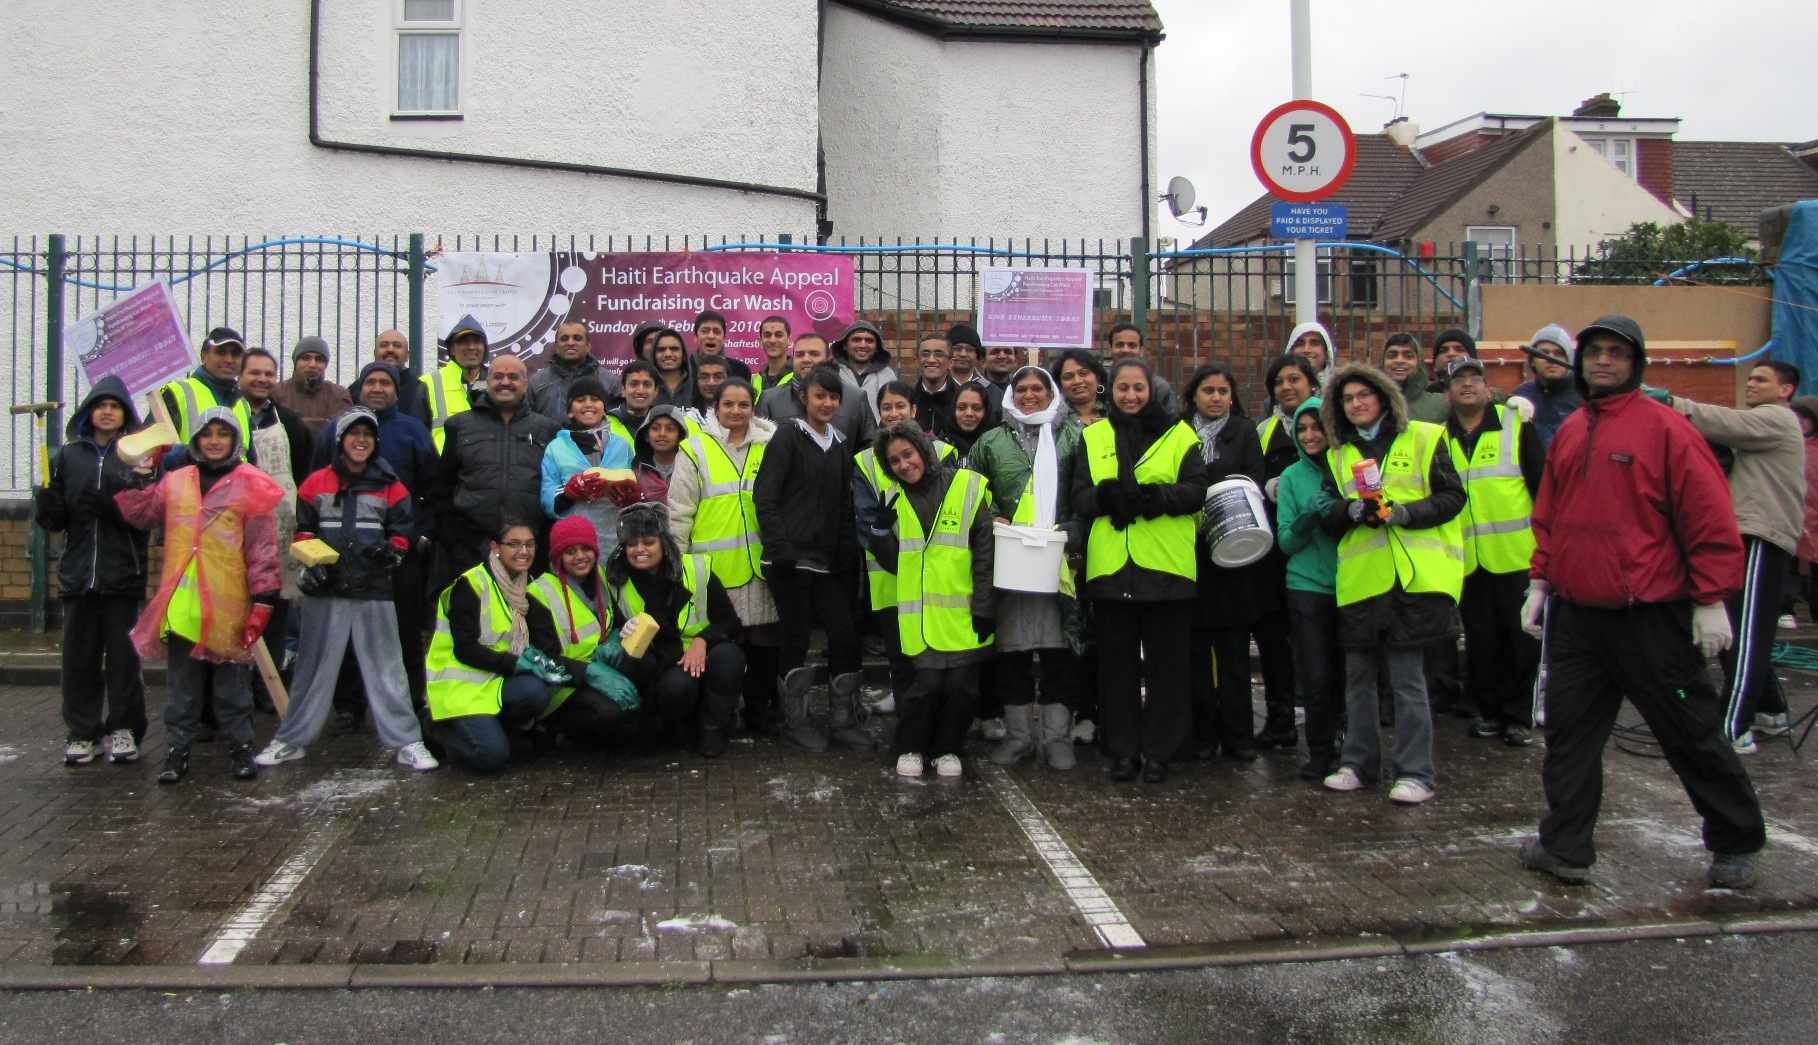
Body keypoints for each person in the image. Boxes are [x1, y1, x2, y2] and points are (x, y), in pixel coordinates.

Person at [1519, 315, 1763, 890]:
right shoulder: (1575, 430)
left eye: (1616, 353)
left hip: (1650, 616)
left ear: (1636, 364)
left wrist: (1711, 600)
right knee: (1569, 737)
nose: (1603, 361)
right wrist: (1540, 582)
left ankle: (1736, 840)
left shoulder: (1668, 431)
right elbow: (1550, 515)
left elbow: (1708, 519)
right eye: (1594, 352)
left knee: (1689, 730)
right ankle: (1566, 847)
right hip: (1579, 618)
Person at [253, 409, 438, 772]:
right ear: (340, 441)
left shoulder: (390, 483)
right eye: (353, 434)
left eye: (367, 435)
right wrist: (312, 567)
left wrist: (394, 550)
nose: (360, 441)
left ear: (375, 442)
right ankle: (292, 738)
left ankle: (406, 740)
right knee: (312, 668)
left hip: (374, 590)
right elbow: (303, 531)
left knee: (389, 669)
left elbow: (402, 528)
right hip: (328, 590)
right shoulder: (315, 483)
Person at [1315, 362, 1466, 805]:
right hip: (1362, 581)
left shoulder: (1424, 437)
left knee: (1407, 680)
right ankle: (1359, 764)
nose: (1357, 404)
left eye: (1364, 395)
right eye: (1347, 399)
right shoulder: (1338, 454)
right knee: (1358, 678)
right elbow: (1325, 511)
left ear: (1383, 396)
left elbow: (1453, 497)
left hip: (1414, 578)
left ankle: (1416, 771)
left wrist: (1406, 513)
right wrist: (1351, 512)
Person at [114, 408, 284, 784]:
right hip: (182, 606)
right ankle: (177, 752)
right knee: (182, 689)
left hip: (228, 605)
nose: (213, 441)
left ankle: (241, 749)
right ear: (196, 440)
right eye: (207, 433)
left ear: (235, 440)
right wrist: (142, 474)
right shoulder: (175, 481)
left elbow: (262, 548)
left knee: (231, 687)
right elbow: (141, 515)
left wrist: (263, 597)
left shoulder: (250, 482)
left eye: (223, 434)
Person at [1070, 358, 1208, 783]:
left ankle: (1161, 752)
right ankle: (1123, 750)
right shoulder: (1092, 437)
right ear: (1109, 392)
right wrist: (1106, 497)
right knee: (1117, 669)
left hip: (1166, 566)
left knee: (1167, 669)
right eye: (1122, 388)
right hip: (1112, 569)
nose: (1130, 396)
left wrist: (1158, 497)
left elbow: (1198, 490)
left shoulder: (1180, 434)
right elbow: (1078, 497)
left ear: (1152, 390)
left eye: (1138, 388)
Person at [1667, 360, 1807, 752]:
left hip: (1761, 535)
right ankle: (1771, 709)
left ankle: (1734, 727)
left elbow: (1722, 423)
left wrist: (1668, 401)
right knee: (1736, 629)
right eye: (1749, 378)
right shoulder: (1763, 427)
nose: (1751, 384)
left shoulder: (1778, 419)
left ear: (1786, 391)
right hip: (1742, 534)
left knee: (1745, 635)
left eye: (1761, 379)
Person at [312, 360, 439, 731]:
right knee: (346, 632)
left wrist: (423, 536)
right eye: (371, 382)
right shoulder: (335, 430)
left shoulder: (413, 431)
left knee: (404, 632)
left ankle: (412, 701)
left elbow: (433, 489)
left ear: (397, 393)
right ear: (359, 389)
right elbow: (316, 482)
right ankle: (350, 707)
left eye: (386, 382)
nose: (378, 388)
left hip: (402, 551)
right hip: (345, 551)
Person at [969, 366, 1084, 770]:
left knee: (1059, 655)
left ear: (1052, 392)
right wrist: (994, 517)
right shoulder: (990, 441)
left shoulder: (1075, 436)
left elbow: (1085, 491)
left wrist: (1075, 527)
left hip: (1061, 561)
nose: (1029, 395)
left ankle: (1056, 738)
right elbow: (974, 491)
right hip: (1012, 560)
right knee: (1013, 655)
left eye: (1038, 388)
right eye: (1022, 389)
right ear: (1010, 395)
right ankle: (1018, 737)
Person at [866, 422, 995, 777]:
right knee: (925, 687)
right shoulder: (893, 499)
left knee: (960, 689)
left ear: (923, 449)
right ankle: (910, 746)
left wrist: (985, 606)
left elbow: (985, 554)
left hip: (963, 613)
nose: (904, 465)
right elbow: (895, 563)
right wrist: (878, 533)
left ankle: (949, 748)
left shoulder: (966, 486)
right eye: (894, 461)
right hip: (920, 616)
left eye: (908, 454)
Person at [753, 364, 868, 752]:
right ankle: (795, 721)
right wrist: (781, 548)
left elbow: (843, 505)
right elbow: (764, 498)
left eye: (834, 397)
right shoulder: (787, 436)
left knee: (845, 637)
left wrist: (846, 552)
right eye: (820, 396)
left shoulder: (838, 443)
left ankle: (843, 719)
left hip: (828, 562)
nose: (828, 403)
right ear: (803, 398)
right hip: (788, 561)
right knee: (796, 637)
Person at [40, 377, 150, 766]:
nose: (107, 412)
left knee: (123, 658)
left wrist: (116, 510)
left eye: (115, 406)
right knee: (79, 659)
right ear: (88, 412)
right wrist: (50, 509)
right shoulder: (68, 457)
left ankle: (125, 728)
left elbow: (147, 514)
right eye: (100, 405)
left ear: (125, 415)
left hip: (123, 572)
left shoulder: (138, 456)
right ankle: (82, 732)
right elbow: (57, 521)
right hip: (79, 573)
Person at [669, 378, 781, 736]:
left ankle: (758, 710)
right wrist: (679, 563)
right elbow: (679, 511)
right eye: (728, 404)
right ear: (715, 407)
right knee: (725, 643)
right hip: (712, 568)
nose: (736, 411)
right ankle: (722, 712)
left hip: (762, 565)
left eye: (743, 404)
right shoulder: (694, 448)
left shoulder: (772, 446)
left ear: (754, 407)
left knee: (764, 641)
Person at [1443, 356, 1545, 747]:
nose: (1467, 384)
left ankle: (1519, 715)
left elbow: (1542, 487)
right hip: (1469, 561)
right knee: (1481, 643)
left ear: (1488, 387)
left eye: (1475, 377)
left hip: (1518, 557)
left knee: (1521, 641)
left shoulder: (1516, 424)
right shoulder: (1440, 437)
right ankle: (1489, 712)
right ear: (1448, 393)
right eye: (1458, 380)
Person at [423, 519, 568, 772]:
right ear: (495, 547)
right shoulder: (470, 584)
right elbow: (465, 649)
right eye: (513, 544)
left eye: (530, 545)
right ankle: (434, 726)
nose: (523, 552)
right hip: (461, 687)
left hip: (495, 680)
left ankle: (495, 727)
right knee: (492, 757)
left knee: (537, 692)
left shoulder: (525, 583)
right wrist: (516, 663)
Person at [602, 503, 746, 756]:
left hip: (703, 653)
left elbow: (730, 622)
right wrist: (621, 631)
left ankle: (712, 727)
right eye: (632, 544)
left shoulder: (696, 570)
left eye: (648, 542)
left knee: (730, 658)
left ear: (663, 543)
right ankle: (674, 727)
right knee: (677, 688)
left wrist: (702, 641)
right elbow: (612, 631)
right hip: (661, 663)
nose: (640, 550)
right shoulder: (615, 582)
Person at [1181, 362, 1266, 763]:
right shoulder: (1178, 431)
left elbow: (1253, 479)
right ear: (1193, 395)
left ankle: (1239, 736)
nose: (1216, 398)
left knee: (1234, 653)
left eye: (1223, 391)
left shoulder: (1245, 433)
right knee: (1195, 655)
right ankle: (1202, 734)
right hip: (1191, 554)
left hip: (1235, 554)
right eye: (1208, 391)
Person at [428, 353, 560, 585]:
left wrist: (539, 546)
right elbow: (442, 490)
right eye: (497, 376)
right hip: (467, 551)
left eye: (513, 377)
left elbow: (552, 490)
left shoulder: (546, 430)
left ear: (525, 384)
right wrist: (454, 542)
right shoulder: (460, 426)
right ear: (487, 382)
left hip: (528, 553)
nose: (505, 382)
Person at [1273, 395, 1345, 780]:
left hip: (1353, 582)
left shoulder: (1350, 466)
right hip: (1307, 586)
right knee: (1315, 676)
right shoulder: (1291, 477)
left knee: (1351, 673)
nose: (1309, 434)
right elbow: (1285, 541)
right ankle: (1319, 750)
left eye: (1317, 426)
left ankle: (1350, 745)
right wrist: (1307, 517)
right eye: (1301, 429)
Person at [525, 516, 640, 749]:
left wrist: (617, 639)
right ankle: (558, 728)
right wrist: (589, 671)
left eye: (586, 548)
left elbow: (614, 621)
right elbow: (545, 657)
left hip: (601, 667)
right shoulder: (540, 592)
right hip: (562, 686)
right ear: (558, 556)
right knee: (612, 712)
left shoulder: (600, 576)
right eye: (570, 551)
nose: (580, 557)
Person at [237, 348, 314, 667]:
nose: (262, 379)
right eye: (255, 372)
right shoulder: (226, 416)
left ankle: (270, 688)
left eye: (269, 373)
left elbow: (302, 474)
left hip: (277, 534)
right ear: (240, 376)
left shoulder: (288, 423)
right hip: (235, 533)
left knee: (276, 612)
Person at [540, 375, 637, 560]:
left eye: (595, 399)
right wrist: (567, 493)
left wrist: (631, 497)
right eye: (580, 400)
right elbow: (546, 494)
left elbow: (635, 484)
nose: (588, 404)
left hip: (614, 541)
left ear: (604, 408)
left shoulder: (622, 445)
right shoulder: (556, 447)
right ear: (570, 411)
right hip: (573, 542)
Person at [756, 332, 872, 444]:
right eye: (800, 355)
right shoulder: (770, 399)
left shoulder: (855, 398)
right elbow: (758, 446)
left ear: (828, 359)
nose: (806, 359)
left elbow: (868, 446)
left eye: (814, 354)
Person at [159, 326, 250, 445]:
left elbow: (248, 456)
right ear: (203, 357)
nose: (229, 359)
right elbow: (155, 451)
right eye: (221, 352)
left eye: (235, 354)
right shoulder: (177, 393)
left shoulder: (243, 404)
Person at [418, 314, 488, 452]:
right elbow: (417, 434)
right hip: (443, 469)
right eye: (464, 342)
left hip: (484, 469)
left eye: (477, 341)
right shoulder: (429, 383)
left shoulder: (497, 382)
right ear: (451, 349)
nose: (471, 347)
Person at [529, 319, 618, 423]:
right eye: (564, 339)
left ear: (588, 346)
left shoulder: (609, 381)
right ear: (557, 347)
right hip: (550, 439)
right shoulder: (538, 382)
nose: (570, 343)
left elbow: (617, 422)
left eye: (577, 338)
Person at [1511, 324, 1583, 450]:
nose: (1551, 359)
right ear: (1532, 361)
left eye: (1559, 353)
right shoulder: (1522, 395)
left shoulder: (1584, 395)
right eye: (1543, 353)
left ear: (1569, 359)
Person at [271, 336, 350, 441]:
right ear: (295, 362)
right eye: (305, 358)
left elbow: (343, 431)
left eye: (319, 359)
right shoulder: (277, 392)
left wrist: (294, 424)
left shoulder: (338, 394)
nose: (312, 364)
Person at [832, 320, 897, 426]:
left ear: (877, 347)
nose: (863, 345)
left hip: (876, 437)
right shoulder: (833, 372)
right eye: (856, 340)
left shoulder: (888, 375)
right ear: (844, 345)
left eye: (869, 341)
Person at [1104, 323, 1176, 415]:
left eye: (1132, 345)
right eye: (1119, 345)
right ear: (1110, 350)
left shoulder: (1159, 388)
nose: (1125, 350)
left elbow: (1172, 424)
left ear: (1141, 351)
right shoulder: (1101, 385)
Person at [1379, 333, 1449, 425]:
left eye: (1408, 356)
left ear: (1418, 363)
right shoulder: (1368, 403)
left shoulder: (1441, 404)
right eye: (1392, 355)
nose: (1399, 360)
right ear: (1382, 362)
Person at [632, 406, 688, 505]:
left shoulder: (690, 468)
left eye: (670, 429)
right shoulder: (636, 470)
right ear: (646, 435)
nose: (662, 433)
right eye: (655, 428)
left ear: (680, 435)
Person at [1793, 396, 1818, 615]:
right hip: (1792, 517)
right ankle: (1786, 609)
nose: (1800, 421)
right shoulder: (1789, 445)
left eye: (1805, 417)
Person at [374, 328, 427, 421]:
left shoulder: (421, 389)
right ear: (374, 353)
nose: (390, 349)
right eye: (384, 345)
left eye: (397, 346)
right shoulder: (357, 389)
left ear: (407, 355)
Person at [909, 335, 958, 436]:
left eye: (939, 354)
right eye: (925, 354)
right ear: (916, 361)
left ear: (951, 362)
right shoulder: (907, 399)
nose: (931, 359)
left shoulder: (961, 400)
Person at [1051, 348, 1107, 429]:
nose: (1077, 381)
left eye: (1084, 373)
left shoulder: (1115, 413)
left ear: (1098, 379)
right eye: (1068, 377)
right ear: (1059, 385)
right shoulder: (1052, 419)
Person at [943, 384, 993, 467]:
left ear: (986, 412)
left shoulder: (997, 443)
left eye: (977, 408)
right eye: (961, 407)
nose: (969, 413)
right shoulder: (942, 443)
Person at [648, 327, 695, 411]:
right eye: (661, 350)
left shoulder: (697, 386)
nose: (668, 354)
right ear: (654, 355)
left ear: (684, 355)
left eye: (674, 349)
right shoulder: (646, 387)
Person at [1284, 321, 1336, 389]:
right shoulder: (1280, 395)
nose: (1306, 350)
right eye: (1300, 344)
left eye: (1314, 343)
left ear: (1326, 353)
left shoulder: (1339, 394)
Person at [691, 354, 731, 423]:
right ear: (696, 381)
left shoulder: (739, 419)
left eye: (718, 377)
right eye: (704, 377)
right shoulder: (688, 420)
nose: (711, 383)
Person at [947, 324, 989, 389]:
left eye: (970, 349)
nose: (963, 354)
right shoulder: (935, 386)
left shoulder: (991, 391)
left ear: (977, 356)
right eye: (957, 349)